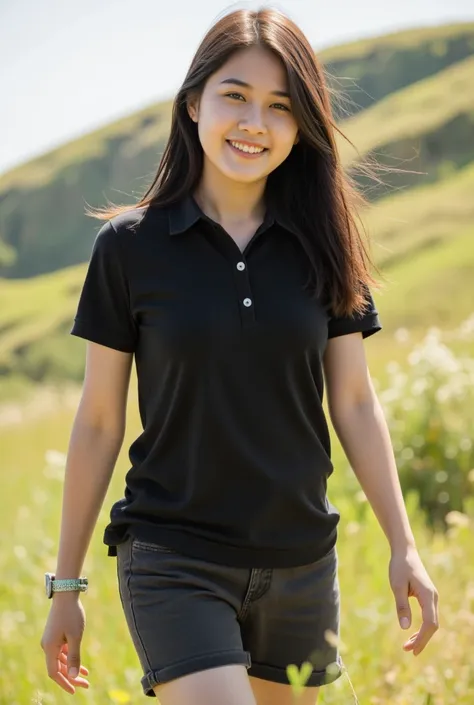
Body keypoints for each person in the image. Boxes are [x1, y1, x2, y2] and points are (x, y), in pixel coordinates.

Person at [40, 6, 439, 704]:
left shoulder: (328, 244)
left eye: (281, 106)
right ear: (194, 102)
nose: (255, 122)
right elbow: (99, 420)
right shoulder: (130, 248)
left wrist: (403, 543)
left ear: (301, 125)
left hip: (301, 562)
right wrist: (66, 584)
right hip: (175, 558)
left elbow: (353, 400)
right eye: (236, 95)